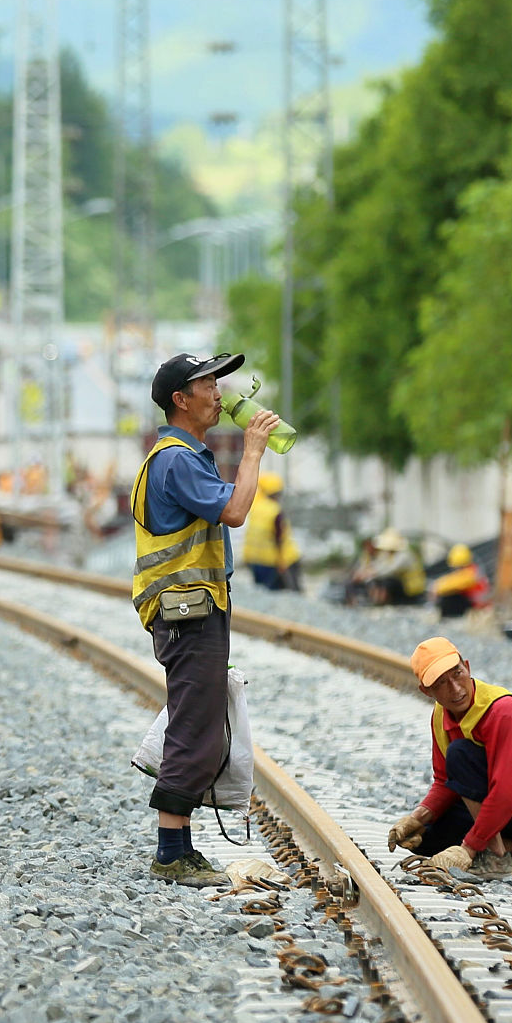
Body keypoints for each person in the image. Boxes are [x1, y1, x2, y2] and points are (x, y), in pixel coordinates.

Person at [132, 351, 278, 888]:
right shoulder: (175, 459)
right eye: (209, 384)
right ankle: (172, 852)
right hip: (185, 610)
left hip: (194, 608)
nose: (220, 393)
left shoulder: (182, 455)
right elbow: (235, 511)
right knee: (195, 724)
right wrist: (254, 451)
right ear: (181, 399)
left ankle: (180, 846)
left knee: (198, 719)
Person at [386, 636, 512, 880]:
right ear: (427, 691)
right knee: (426, 838)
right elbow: (445, 781)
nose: (455, 689)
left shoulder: (502, 712)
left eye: (457, 674)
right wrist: (417, 818)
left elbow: (506, 794)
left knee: (460, 754)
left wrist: (468, 849)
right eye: (441, 683)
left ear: (467, 667)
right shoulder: (440, 716)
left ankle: (496, 856)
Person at [242, 472, 303, 592]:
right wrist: (282, 562)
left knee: (263, 594)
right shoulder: (274, 511)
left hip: (255, 560)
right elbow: (279, 537)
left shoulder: (255, 508)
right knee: (284, 593)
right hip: (275, 561)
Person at [351, 528, 426, 605]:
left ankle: (381, 601)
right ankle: (374, 601)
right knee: (379, 580)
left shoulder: (404, 555)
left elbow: (390, 569)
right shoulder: (391, 555)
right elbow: (382, 566)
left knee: (388, 581)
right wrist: (366, 572)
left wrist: (371, 573)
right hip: (405, 586)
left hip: (412, 588)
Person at [430, 543, 491, 619]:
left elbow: (457, 582)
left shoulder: (471, 573)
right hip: (475, 603)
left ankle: (451, 617)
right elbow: (454, 579)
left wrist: (437, 586)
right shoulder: (472, 570)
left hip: (476, 604)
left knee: (448, 597)